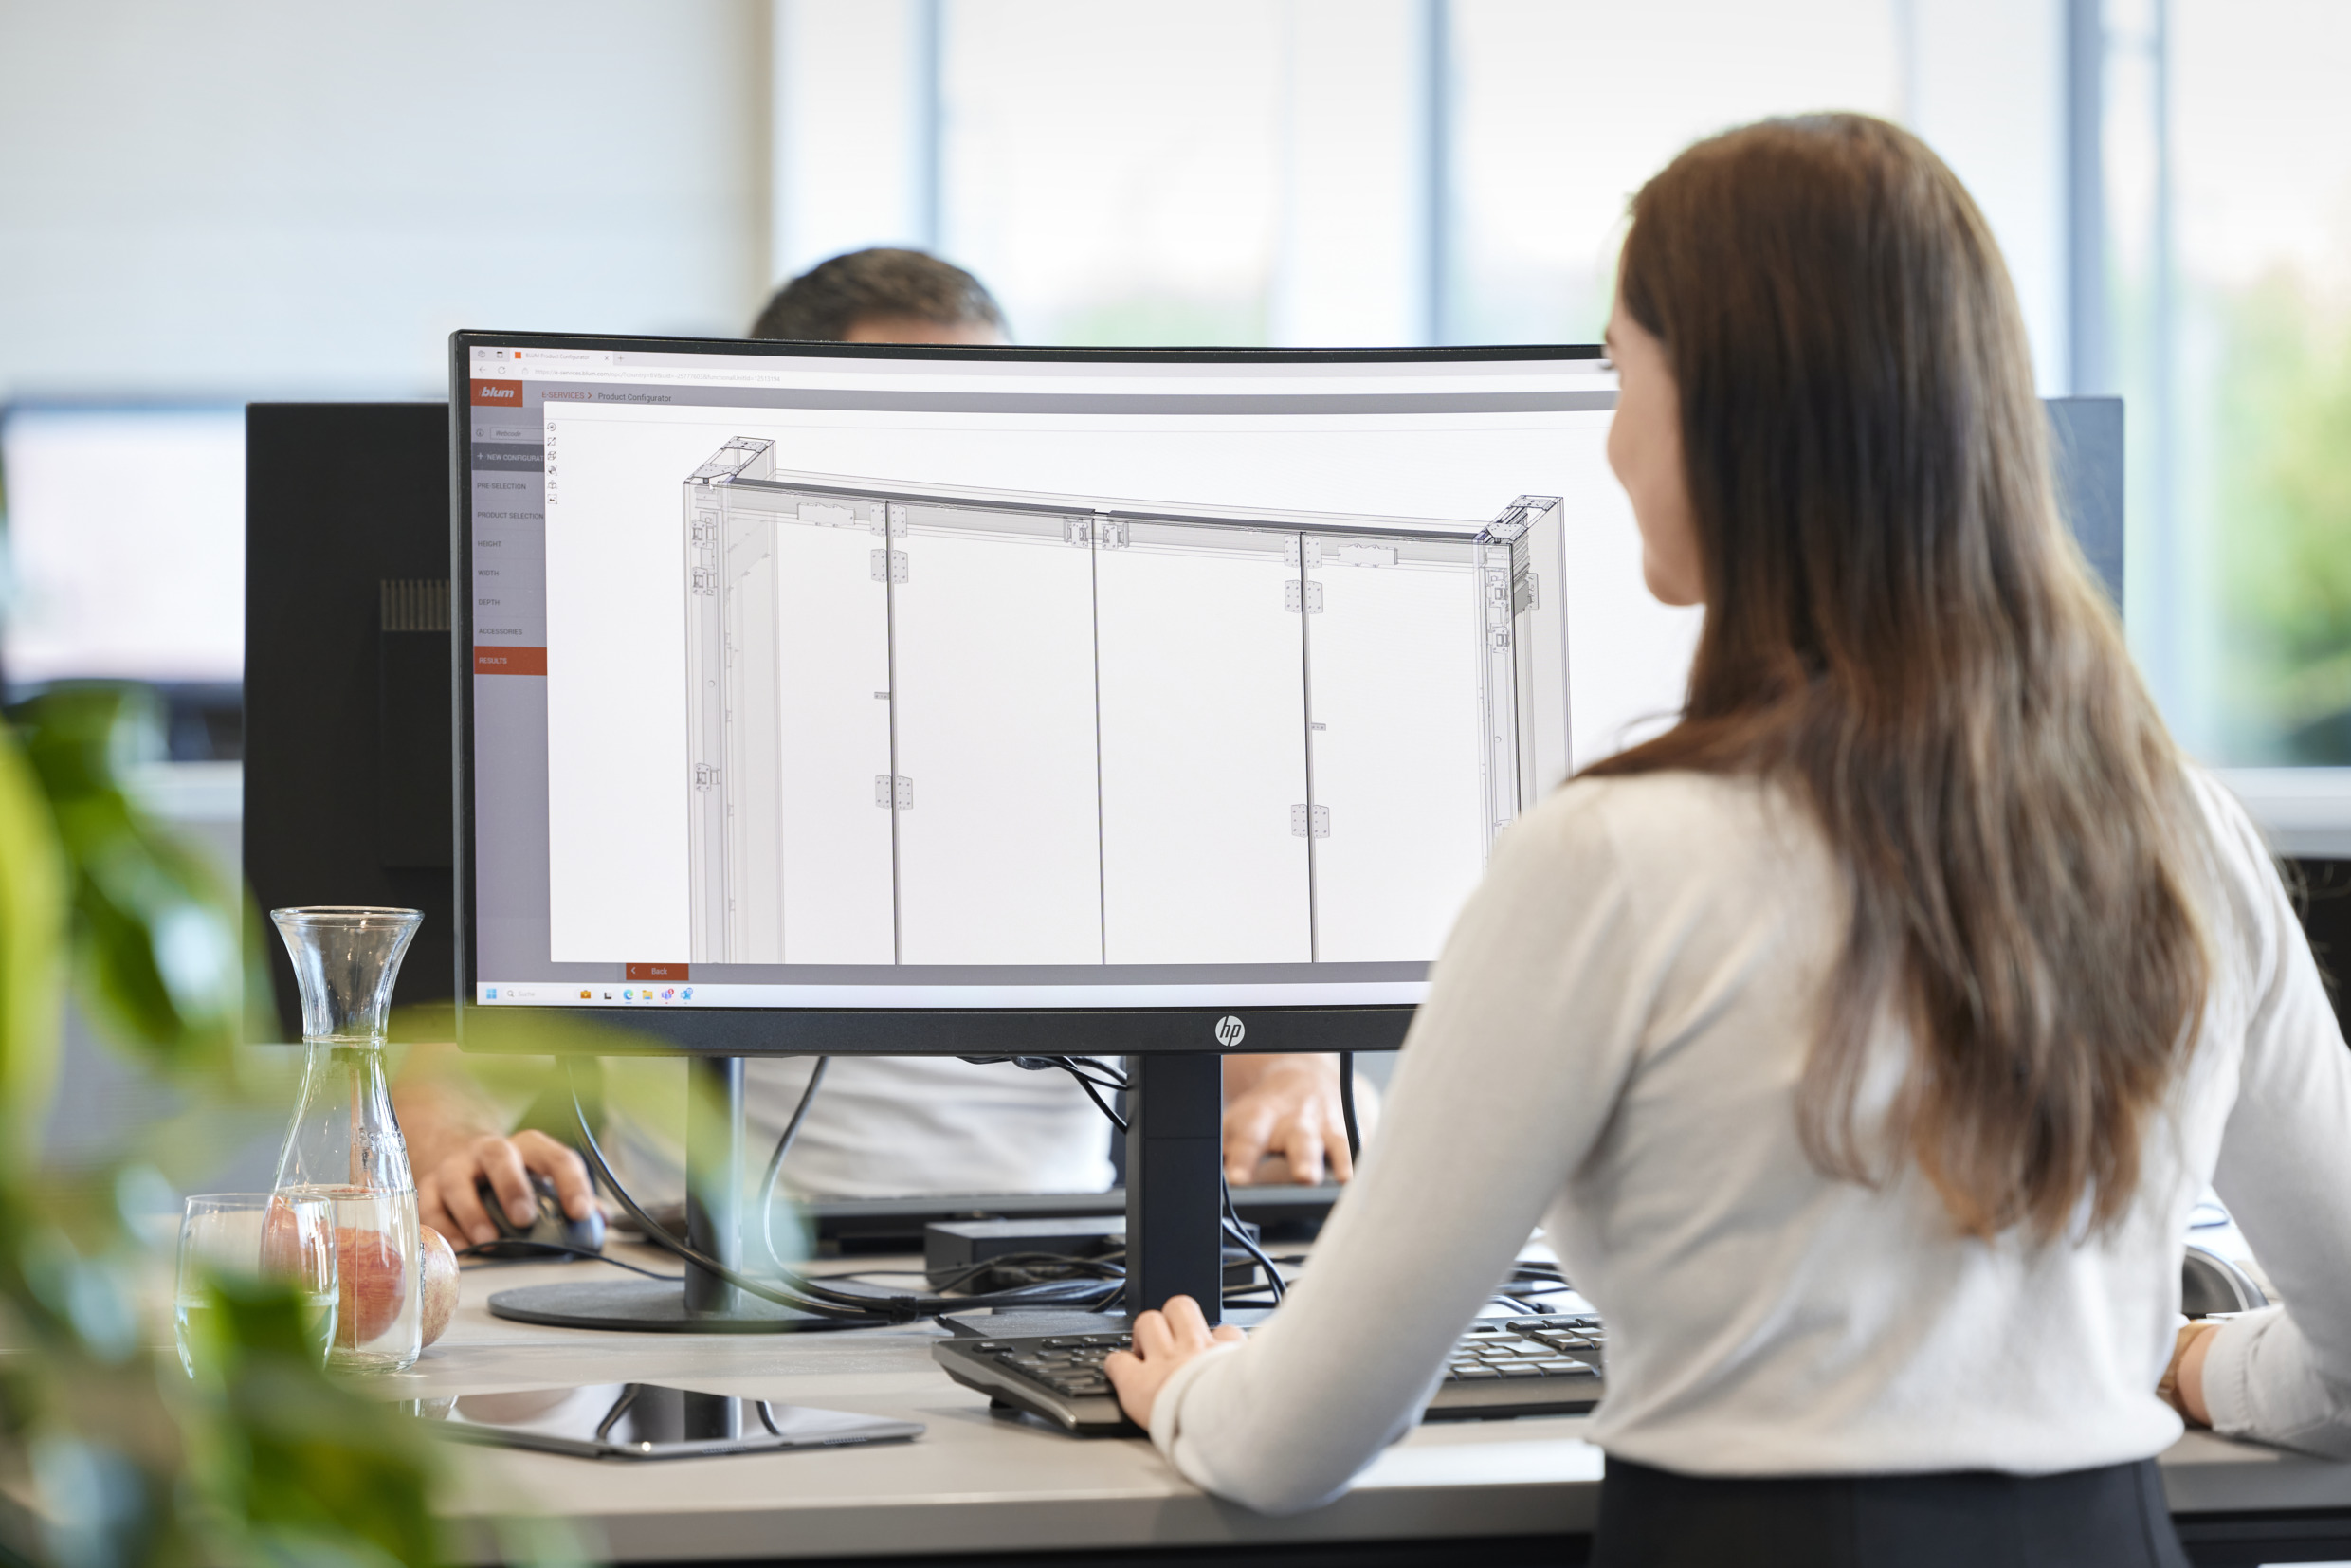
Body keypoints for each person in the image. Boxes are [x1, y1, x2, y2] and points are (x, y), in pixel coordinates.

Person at [1103, 115, 2351, 1563]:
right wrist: (2195, 1359)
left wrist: (1194, 1391)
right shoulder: (2183, 840)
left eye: (1621, 375)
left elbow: (1299, 1438)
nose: (1611, 436)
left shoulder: (1611, 864)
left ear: (1728, 422)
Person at [398, 246, 1360, 1249]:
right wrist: (455, 1139)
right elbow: (461, 1036)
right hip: (724, 1266)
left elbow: (1248, 1039)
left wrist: (1295, 1078)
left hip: (1050, 1260)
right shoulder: (651, 697)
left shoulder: (1111, 693)